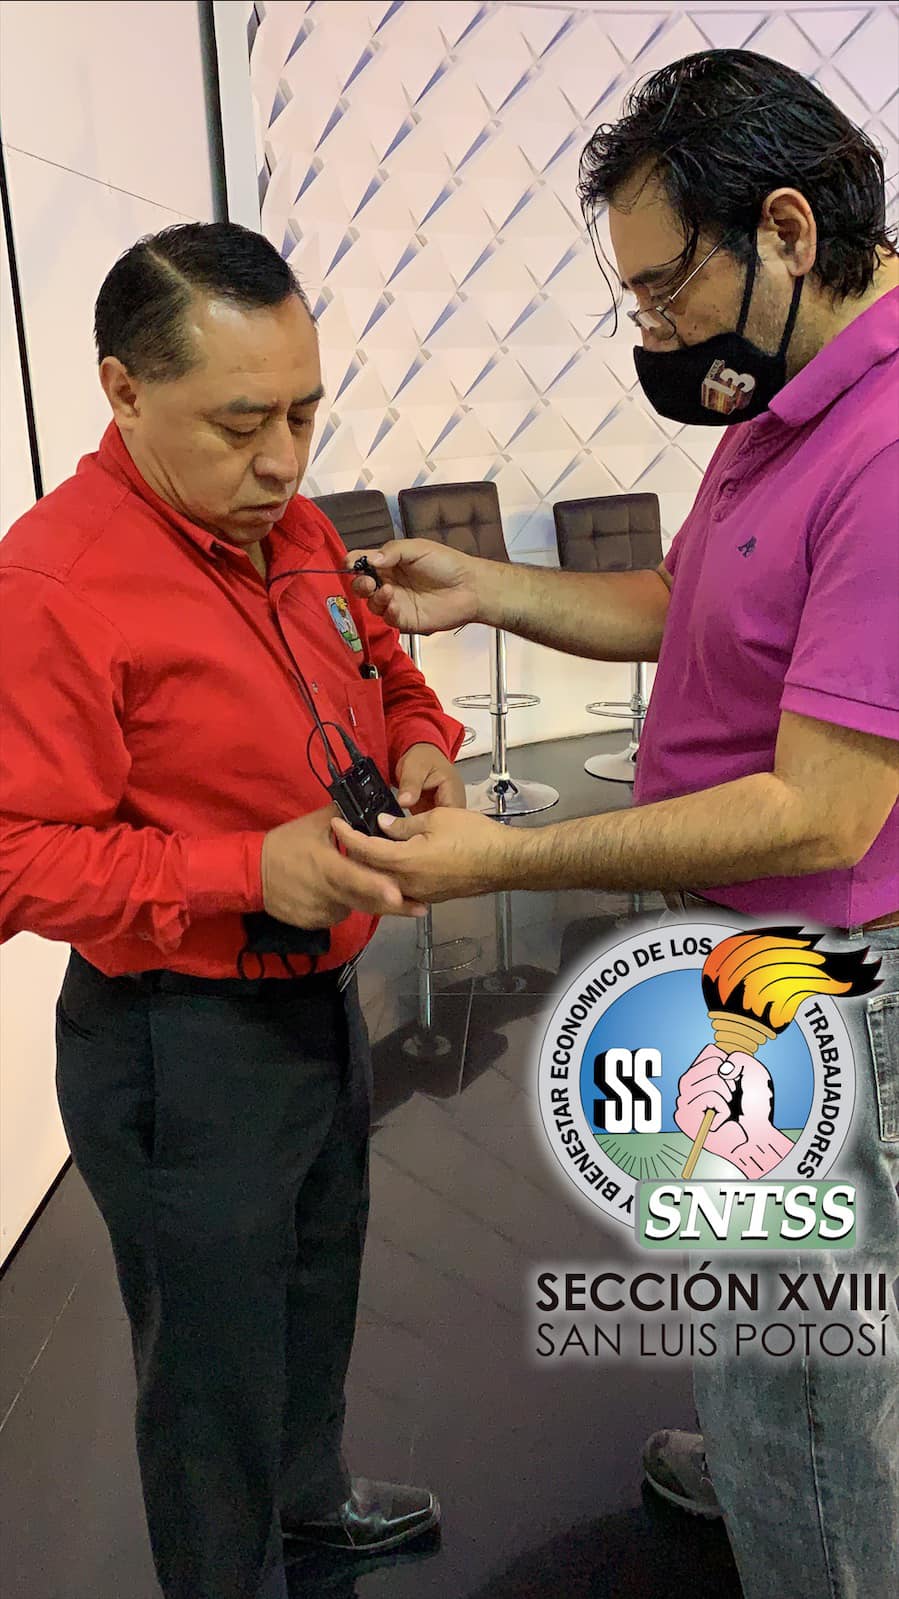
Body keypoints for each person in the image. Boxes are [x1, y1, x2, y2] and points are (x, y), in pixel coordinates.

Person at [337, 50, 899, 1599]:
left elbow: (822, 809)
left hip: (819, 969)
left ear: (786, 231)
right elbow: (681, 602)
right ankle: (763, 1456)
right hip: (736, 956)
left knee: (811, 1348)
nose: (652, 331)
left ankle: (814, 1529)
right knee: (754, 1281)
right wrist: (487, 587)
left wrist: (507, 860)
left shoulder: (891, 446)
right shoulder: (785, 401)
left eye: (663, 290)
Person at [0, 222, 465, 1599]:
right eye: (242, 423)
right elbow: (15, 858)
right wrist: (244, 871)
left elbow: (385, 674)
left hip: (320, 1004)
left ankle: (310, 1509)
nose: (284, 462)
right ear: (124, 390)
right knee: (209, 1370)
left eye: (305, 413)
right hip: (176, 1040)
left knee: (318, 1283)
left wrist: (423, 745)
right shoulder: (54, 585)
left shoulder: (296, 528)